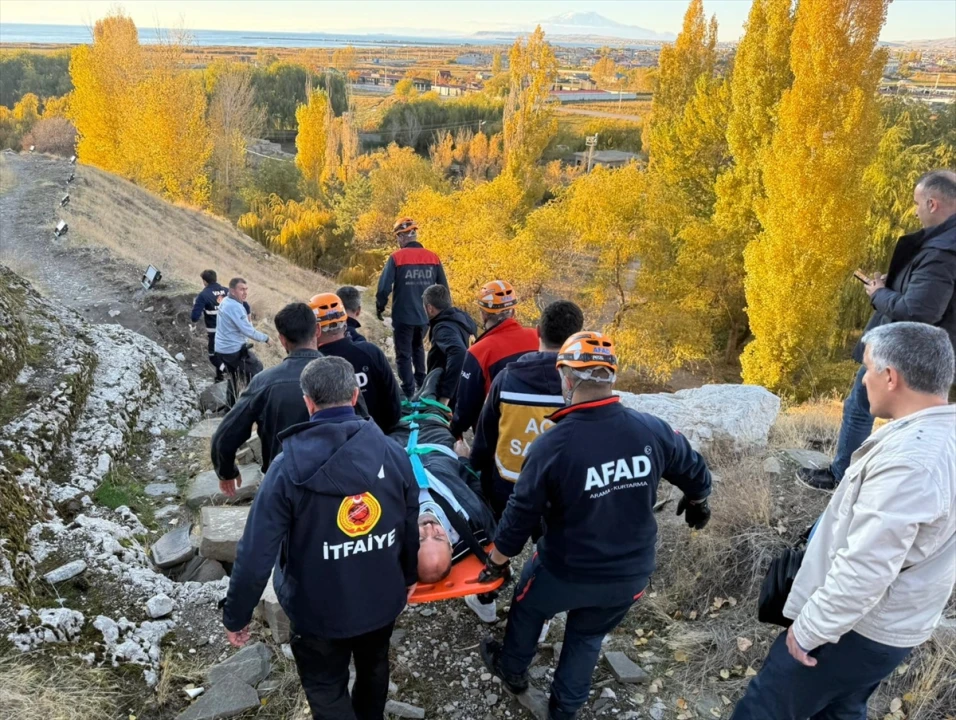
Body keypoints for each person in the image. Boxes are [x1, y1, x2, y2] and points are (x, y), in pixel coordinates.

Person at [478, 331, 713, 720]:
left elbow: (520, 514)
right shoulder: (650, 429)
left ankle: (513, 671)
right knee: (586, 637)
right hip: (629, 575)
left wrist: (498, 561)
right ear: (611, 378)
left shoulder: (551, 447)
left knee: (527, 606)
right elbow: (693, 467)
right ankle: (565, 710)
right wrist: (698, 500)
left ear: (567, 379)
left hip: (564, 570)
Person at [733, 322, 955, 720]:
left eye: (868, 368)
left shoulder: (912, 460)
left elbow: (867, 566)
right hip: (895, 622)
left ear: (890, 377)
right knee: (841, 709)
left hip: (855, 629)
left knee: (764, 709)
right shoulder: (943, 436)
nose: (864, 379)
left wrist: (810, 630)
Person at [221, 356, 420, 720]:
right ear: (356, 394)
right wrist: (408, 576)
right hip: (380, 598)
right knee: (375, 667)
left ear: (308, 402)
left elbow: (255, 552)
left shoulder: (285, 468)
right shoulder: (392, 453)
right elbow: (409, 522)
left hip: (316, 610)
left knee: (326, 688)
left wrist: (237, 614)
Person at [800, 169, 956, 490]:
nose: (914, 211)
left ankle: (846, 477)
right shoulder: (944, 243)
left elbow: (920, 311)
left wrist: (878, 294)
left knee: (862, 405)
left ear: (932, 203)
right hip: (934, 349)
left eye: (916, 203)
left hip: (911, 349)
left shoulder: (942, 251)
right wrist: (896, 285)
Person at [211, 303, 368, 498]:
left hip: (283, 484)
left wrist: (226, 472)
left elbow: (225, 434)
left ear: (282, 340)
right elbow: (365, 425)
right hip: (337, 483)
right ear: (317, 330)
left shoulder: (264, 382)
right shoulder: (342, 374)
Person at [471, 300, 584, 518]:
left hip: (507, 489)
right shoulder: (582, 388)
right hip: (561, 493)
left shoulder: (506, 379)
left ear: (538, 332)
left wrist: (474, 468)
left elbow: (485, 437)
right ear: (576, 338)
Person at [449, 280, 539, 439]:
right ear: (513, 311)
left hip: (497, 439)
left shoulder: (479, 352)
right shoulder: (538, 337)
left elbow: (465, 406)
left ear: (483, 313)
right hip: (539, 431)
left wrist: (454, 431)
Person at [376, 217, 448, 398]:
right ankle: (422, 386)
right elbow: (443, 289)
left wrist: (380, 306)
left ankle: (408, 391)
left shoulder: (396, 257)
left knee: (403, 354)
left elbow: (384, 287)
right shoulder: (433, 257)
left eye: (398, 237)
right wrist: (444, 314)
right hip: (426, 317)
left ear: (401, 236)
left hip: (403, 315)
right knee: (418, 349)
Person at [311, 292, 402, 433]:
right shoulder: (371, 352)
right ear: (345, 322)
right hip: (380, 438)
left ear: (315, 329)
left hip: (335, 448)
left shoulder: (312, 366)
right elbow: (394, 405)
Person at [215, 277, 270, 405]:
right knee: (257, 370)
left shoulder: (226, 301)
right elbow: (249, 331)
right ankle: (255, 405)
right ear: (232, 291)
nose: (245, 292)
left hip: (222, 349)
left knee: (235, 376)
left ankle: (231, 406)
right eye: (241, 289)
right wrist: (267, 338)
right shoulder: (235, 307)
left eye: (246, 289)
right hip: (232, 351)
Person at [422, 283, 477, 408]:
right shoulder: (464, 320)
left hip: (448, 399)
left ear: (430, 308)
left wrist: (444, 398)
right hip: (465, 389)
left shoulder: (443, 327)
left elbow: (459, 353)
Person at [190, 269, 229, 382]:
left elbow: (194, 317)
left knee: (213, 356)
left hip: (215, 332)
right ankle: (219, 377)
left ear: (205, 281)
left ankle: (228, 371)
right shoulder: (227, 291)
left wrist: (197, 307)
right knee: (223, 354)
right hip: (230, 330)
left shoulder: (203, 295)